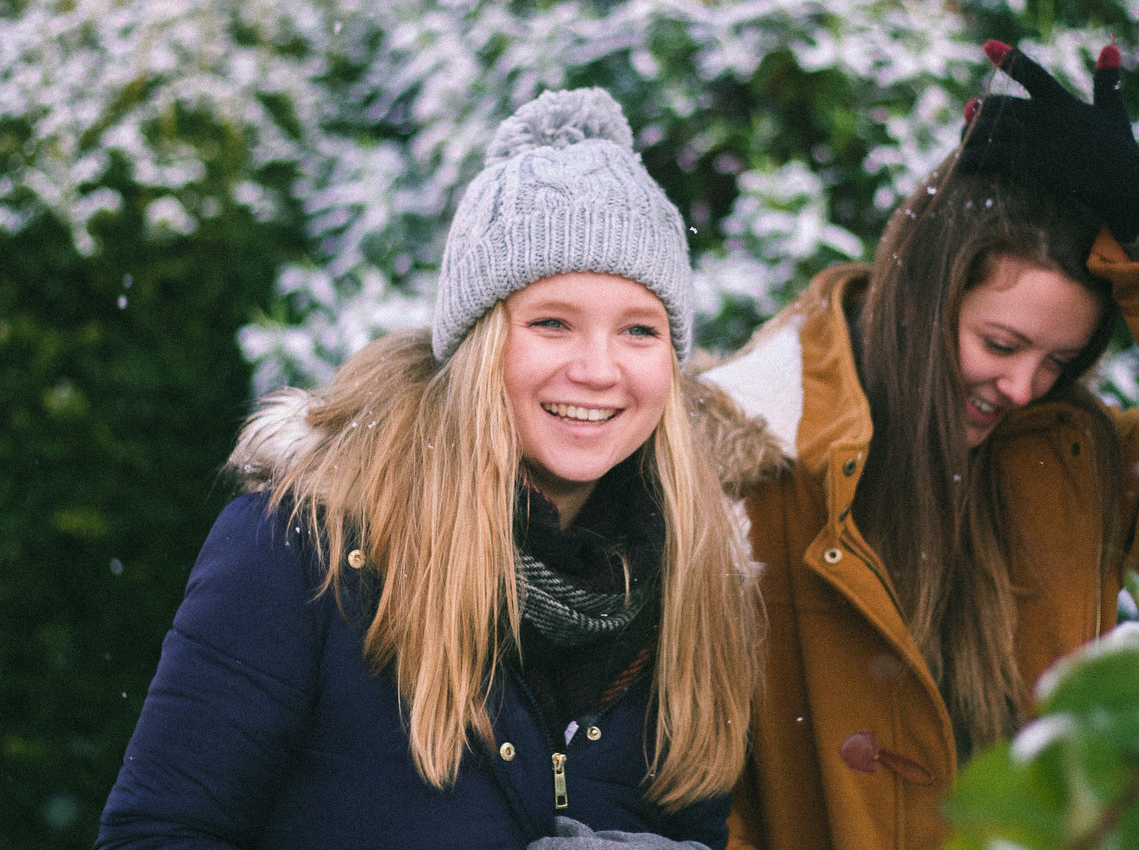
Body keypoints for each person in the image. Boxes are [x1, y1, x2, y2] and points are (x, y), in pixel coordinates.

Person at [95, 88, 763, 850]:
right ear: (478, 344)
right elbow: (159, 834)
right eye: (552, 322)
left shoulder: (692, 583)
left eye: (640, 330)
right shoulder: (305, 550)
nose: (599, 369)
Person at [700, 40, 1139, 850]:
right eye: (1000, 343)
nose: (1023, 388)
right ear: (925, 293)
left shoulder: (1070, 462)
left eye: (1058, 362)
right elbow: (694, 783)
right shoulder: (751, 457)